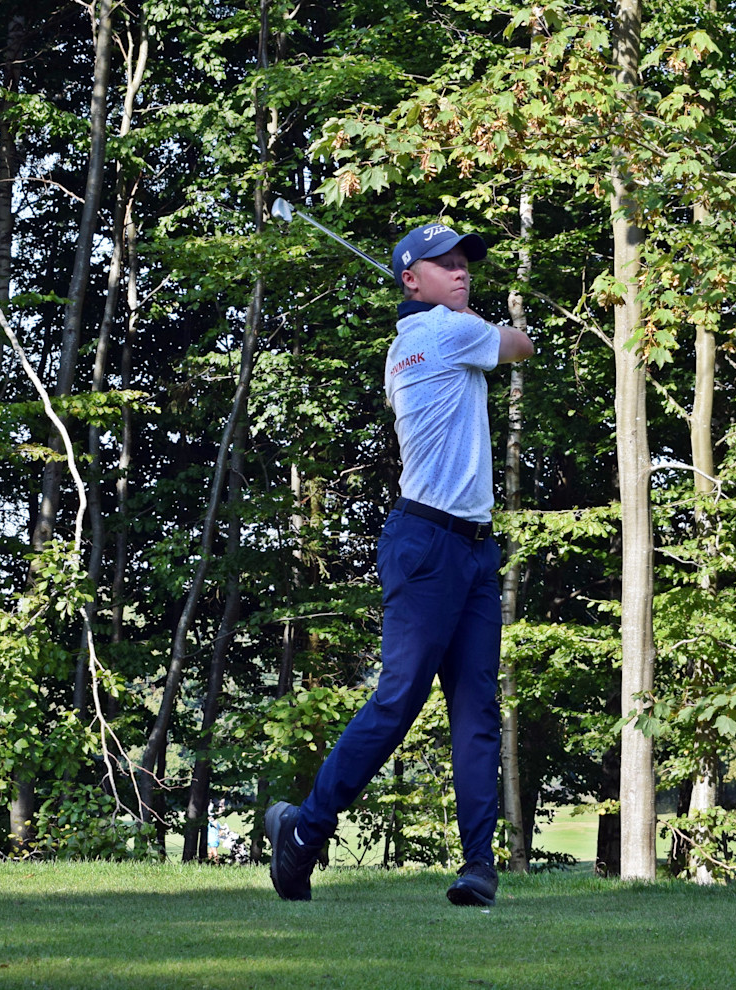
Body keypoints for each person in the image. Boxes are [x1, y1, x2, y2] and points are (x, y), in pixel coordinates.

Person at [266, 220, 534, 906]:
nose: (461, 272)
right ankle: (304, 831)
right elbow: (522, 345)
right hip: (429, 545)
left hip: (468, 545)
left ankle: (478, 869)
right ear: (411, 280)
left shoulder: (404, 348)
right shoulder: (452, 333)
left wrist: (456, 307)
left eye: (464, 263)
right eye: (444, 266)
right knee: (400, 698)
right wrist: (470, 314)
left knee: (475, 709)